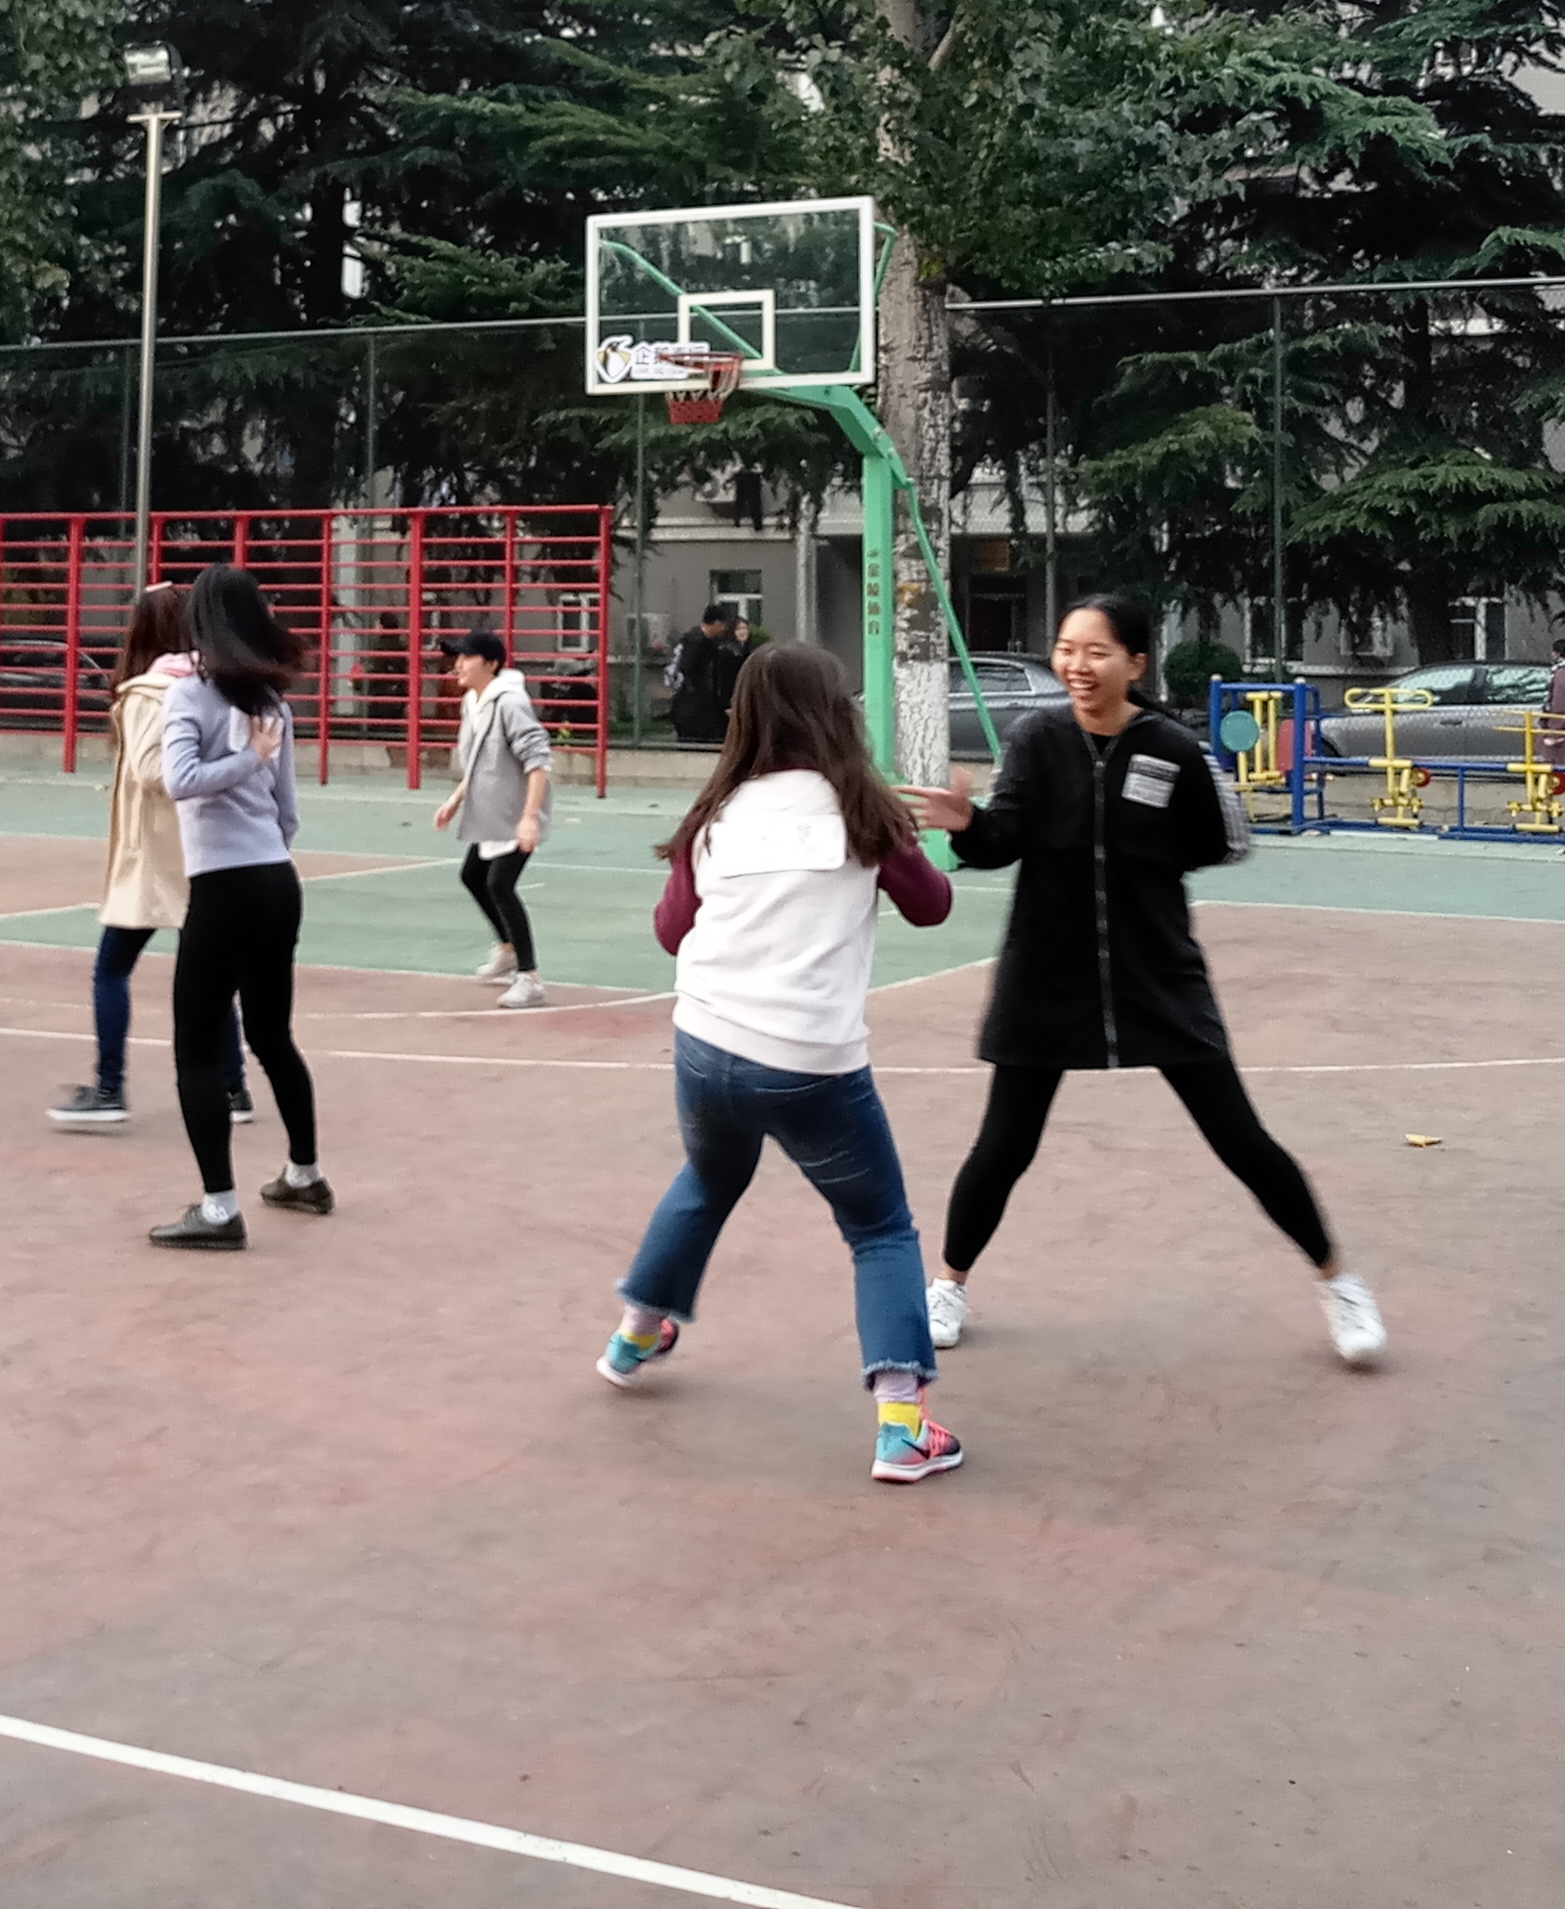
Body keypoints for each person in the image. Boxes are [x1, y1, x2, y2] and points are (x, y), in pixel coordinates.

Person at [904, 591, 1386, 1371]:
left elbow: (1222, 842)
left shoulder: (1171, 747)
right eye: (1067, 649)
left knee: (1241, 1140)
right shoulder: (1036, 740)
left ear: (1135, 663)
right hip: (1047, 975)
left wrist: (1144, 852)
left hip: (1157, 972)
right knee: (1003, 1146)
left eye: (1096, 652)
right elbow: (1003, 839)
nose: (1077, 665)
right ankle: (948, 1286)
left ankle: (1340, 1282)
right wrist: (968, 826)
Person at [596, 642, 965, 1481]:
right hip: (808, 1061)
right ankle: (902, 1427)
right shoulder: (863, 811)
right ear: (837, 714)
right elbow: (932, 906)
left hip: (705, 1046)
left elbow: (671, 932)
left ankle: (633, 1337)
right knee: (879, 1227)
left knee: (708, 1178)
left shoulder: (718, 813)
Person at [146, 563, 328, 1247]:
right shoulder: (271, 702)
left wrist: (246, 762)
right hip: (277, 879)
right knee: (272, 1035)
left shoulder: (188, 696)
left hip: (225, 884)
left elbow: (180, 779)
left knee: (195, 1048)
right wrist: (265, 837)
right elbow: (288, 811)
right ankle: (304, 1174)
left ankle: (219, 1209)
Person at [53, 583, 239, 1130]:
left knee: (110, 968)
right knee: (211, 971)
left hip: (153, 850)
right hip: (201, 846)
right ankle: (234, 1086)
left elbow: (154, 771)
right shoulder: (211, 684)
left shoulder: (148, 693)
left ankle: (110, 1086)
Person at [433, 625, 555, 1010]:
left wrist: (529, 818)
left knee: (500, 884)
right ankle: (508, 949)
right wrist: (455, 799)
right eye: (457, 657)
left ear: (491, 664)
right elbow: (477, 763)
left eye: (467, 657)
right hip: (490, 812)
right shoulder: (473, 702)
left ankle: (530, 978)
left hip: (515, 814)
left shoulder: (509, 703)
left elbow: (539, 761)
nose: (458, 665)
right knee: (473, 876)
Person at [665, 606, 749, 746]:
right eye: (723, 624)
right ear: (716, 623)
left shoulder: (706, 641)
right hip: (693, 706)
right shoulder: (696, 641)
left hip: (703, 704)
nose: (724, 628)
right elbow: (687, 668)